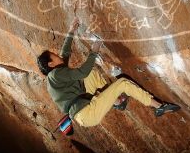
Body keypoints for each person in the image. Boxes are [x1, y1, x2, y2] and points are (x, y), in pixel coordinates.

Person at [37, 18, 180, 128]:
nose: (57, 55)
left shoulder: (55, 75)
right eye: (53, 55)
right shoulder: (55, 75)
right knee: (123, 83)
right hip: (87, 112)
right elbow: (82, 72)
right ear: (51, 64)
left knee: (92, 74)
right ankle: (159, 107)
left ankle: (117, 103)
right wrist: (94, 51)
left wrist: (71, 30)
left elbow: (65, 54)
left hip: (82, 109)